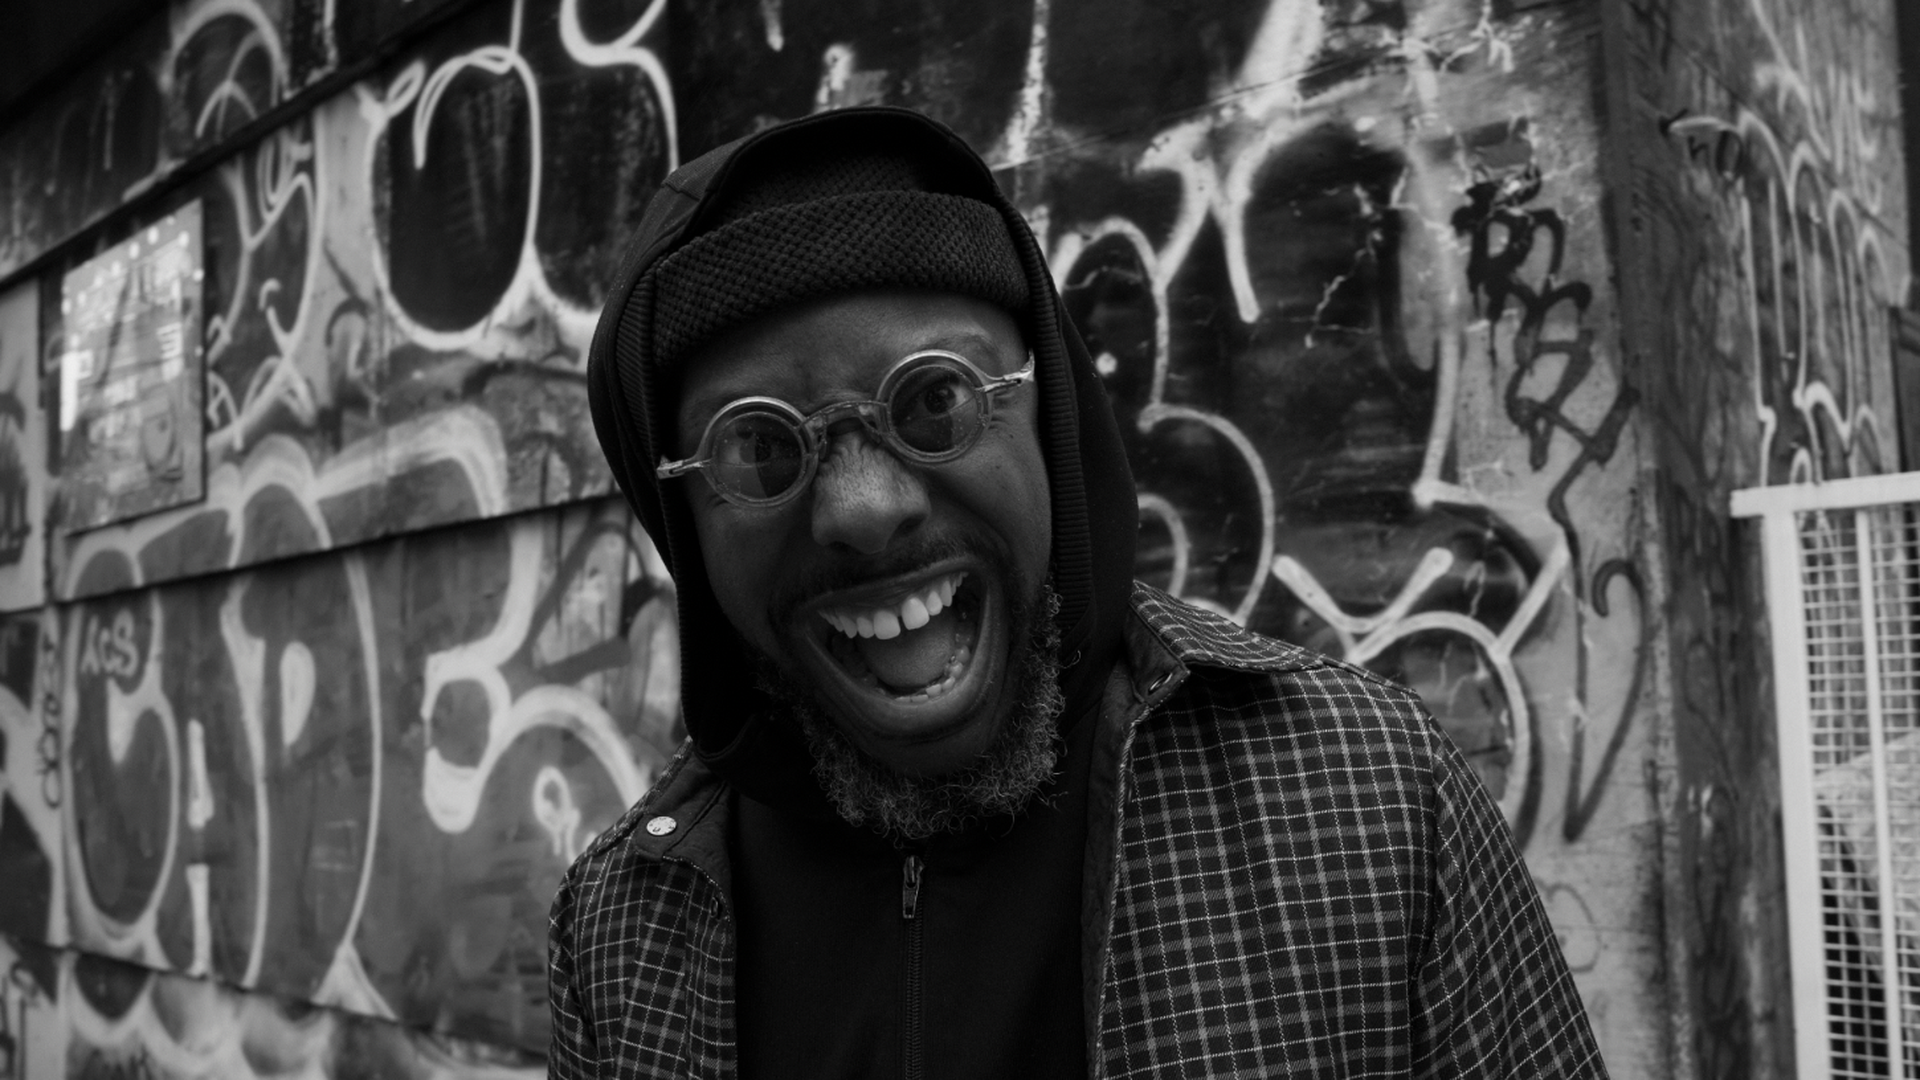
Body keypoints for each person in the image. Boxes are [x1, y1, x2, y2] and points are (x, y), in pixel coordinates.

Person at [551, 105, 1607, 1079]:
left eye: (933, 398)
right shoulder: (624, 932)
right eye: (758, 449)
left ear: (1048, 418)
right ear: (684, 527)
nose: (863, 510)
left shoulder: (1372, 802)